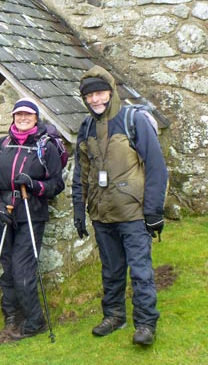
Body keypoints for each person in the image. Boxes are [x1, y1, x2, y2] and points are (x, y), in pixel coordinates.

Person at [72, 65, 168, 346]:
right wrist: (80, 209)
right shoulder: (86, 127)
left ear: (111, 92)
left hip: (133, 213)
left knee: (140, 271)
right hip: (102, 214)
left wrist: (153, 211)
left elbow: (156, 168)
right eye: (89, 96)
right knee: (111, 270)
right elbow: (82, 173)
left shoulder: (133, 119)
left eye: (100, 93)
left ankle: (146, 323)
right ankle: (114, 316)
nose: (95, 100)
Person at [0, 98, 65, 341]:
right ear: (13, 117)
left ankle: (34, 320)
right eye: (19, 115)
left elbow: (56, 184)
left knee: (22, 267)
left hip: (32, 211)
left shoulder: (45, 147)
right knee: (7, 267)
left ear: (36, 118)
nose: (23, 118)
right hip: (4, 211)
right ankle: (11, 316)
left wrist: (34, 184)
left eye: (28, 115)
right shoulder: (1, 144)